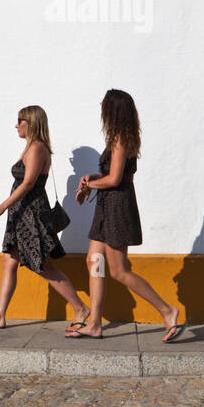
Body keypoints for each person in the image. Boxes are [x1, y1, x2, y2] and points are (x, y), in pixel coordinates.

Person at [66, 89, 183, 343]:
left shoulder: (119, 139)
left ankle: (167, 310)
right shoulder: (118, 138)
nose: (100, 105)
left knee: (119, 270)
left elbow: (116, 179)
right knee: (94, 261)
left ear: (114, 109)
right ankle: (95, 324)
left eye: (105, 103)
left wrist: (90, 185)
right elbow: (114, 175)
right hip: (107, 207)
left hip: (117, 207)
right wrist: (93, 179)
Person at [0, 105, 91, 330]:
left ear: (31, 122)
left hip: (31, 214)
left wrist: (2, 206)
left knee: (44, 265)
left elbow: (28, 183)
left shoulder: (37, 148)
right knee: (9, 262)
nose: (16, 125)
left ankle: (81, 309)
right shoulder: (30, 146)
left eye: (20, 120)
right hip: (20, 214)